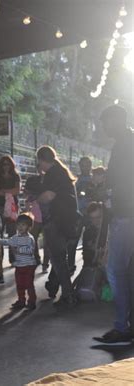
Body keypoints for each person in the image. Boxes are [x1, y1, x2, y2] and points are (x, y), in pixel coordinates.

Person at [94, 105, 134, 344]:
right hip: (127, 212)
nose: (104, 127)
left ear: (116, 121)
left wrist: (110, 193)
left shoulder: (124, 144)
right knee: (126, 271)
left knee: (115, 270)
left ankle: (122, 326)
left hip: (126, 214)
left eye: (106, 122)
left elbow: (125, 180)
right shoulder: (128, 141)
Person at [37, 145, 79, 307]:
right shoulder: (62, 172)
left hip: (56, 220)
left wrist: (37, 199)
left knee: (58, 260)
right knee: (60, 258)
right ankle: (55, 287)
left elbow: (48, 196)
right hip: (67, 221)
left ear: (41, 160)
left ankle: (68, 295)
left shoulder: (52, 174)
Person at [0, 213, 37, 310]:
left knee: (29, 284)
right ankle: (21, 301)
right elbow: (6, 241)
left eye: (23, 225)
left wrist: (18, 250)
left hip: (29, 266)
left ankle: (32, 301)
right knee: (19, 284)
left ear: (29, 227)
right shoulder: (15, 238)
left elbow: (30, 251)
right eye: (19, 225)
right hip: (19, 266)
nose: (20, 227)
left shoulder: (29, 238)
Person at [0, 156, 21, 263]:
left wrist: (3, 191)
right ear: (0, 165)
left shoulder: (15, 176)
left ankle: (13, 258)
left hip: (13, 207)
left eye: (8, 164)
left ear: (11, 165)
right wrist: (9, 191)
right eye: (4, 164)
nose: (6, 166)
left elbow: (17, 191)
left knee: (12, 233)